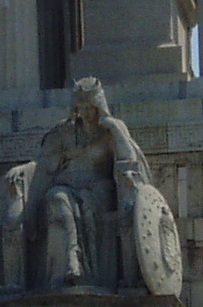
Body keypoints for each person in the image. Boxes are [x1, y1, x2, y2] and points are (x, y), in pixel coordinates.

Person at [24, 77, 150, 289]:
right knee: (56, 199)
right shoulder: (63, 131)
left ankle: (92, 272)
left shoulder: (111, 130)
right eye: (80, 108)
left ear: (99, 106)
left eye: (89, 108)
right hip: (67, 185)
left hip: (99, 188)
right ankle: (72, 261)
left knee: (88, 204)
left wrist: (114, 129)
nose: (85, 113)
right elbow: (44, 166)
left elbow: (129, 160)